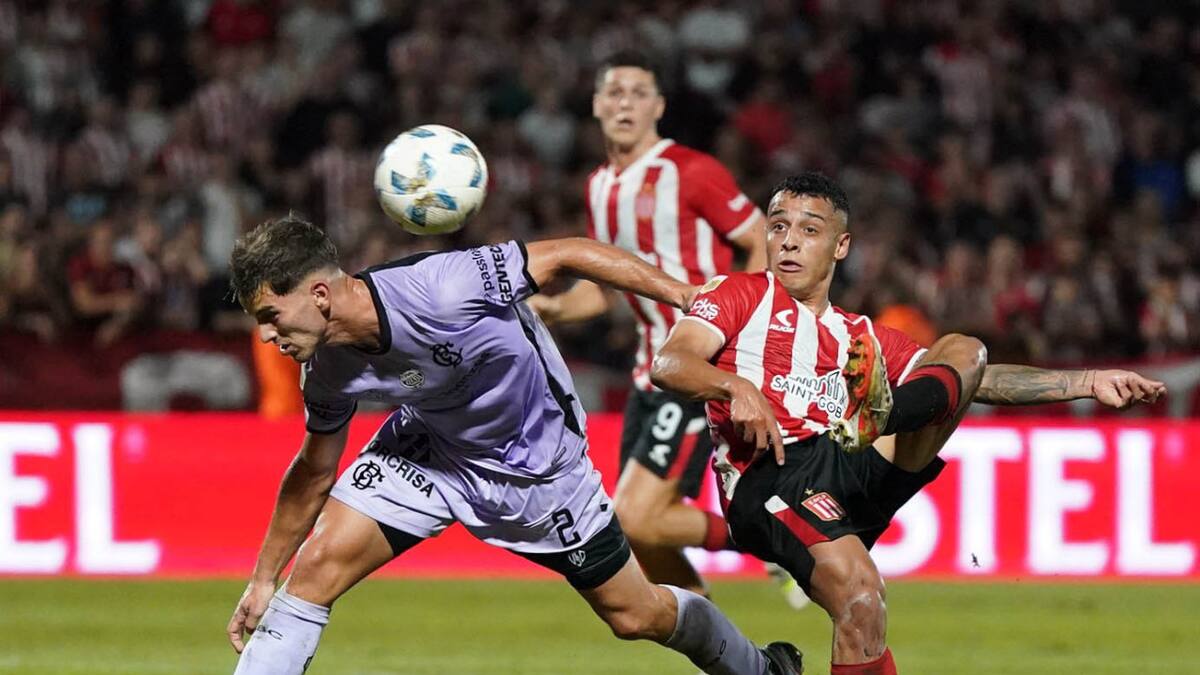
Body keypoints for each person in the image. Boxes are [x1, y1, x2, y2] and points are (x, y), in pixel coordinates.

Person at [224, 215, 804, 675]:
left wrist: (684, 296)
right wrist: (264, 577)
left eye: (271, 316)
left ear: (319, 294)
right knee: (315, 570)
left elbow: (570, 253)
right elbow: (314, 471)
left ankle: (760, 668)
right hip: (433, 449)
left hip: (538, 467)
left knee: (635, 615)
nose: (266, 335)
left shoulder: (442, 287)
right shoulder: (326, 371)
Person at [650, 172, 1166, 674]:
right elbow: (670, 362)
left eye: (809, 230)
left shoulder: (861, 335)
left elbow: (977, 381)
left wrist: (1089, 381)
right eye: (779, 226)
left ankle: (884, 413)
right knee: (860, 593)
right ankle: (879, 414)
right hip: (772, 476)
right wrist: (734, 387)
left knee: (965, 351)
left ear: (841, 246)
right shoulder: (738, 294)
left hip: (847, 457)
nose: (789, 241)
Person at [530, 50, 783, 602]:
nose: (626, 103)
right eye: (615, 92)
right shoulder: (599, 186)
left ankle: (777, 536)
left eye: (638, 93)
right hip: (649, 373)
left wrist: (739, 328)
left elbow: (759, 238)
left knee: (636, 516)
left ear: (659, 107)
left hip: (696, 365)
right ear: (597, 105)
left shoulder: (689, 170)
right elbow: (603, 290)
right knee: (638, 535)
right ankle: (724, 641)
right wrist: (549, 309)